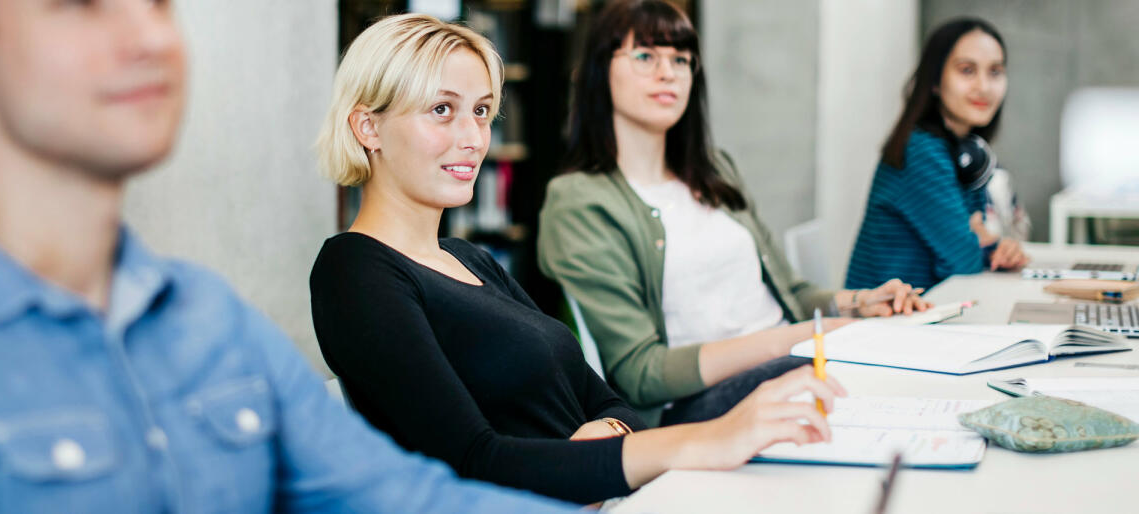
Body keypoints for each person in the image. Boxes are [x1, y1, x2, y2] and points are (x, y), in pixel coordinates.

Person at [0, 1, 577, 512]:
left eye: (159, 4)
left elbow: (404, 495)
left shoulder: (212, 322)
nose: (148, 37)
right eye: (80, 5)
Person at [311, 12, 846, 506]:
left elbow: (609, 401)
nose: (473, 138)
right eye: (442, 110)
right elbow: (473, 463)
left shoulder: (471, 260)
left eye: (480, 112)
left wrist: (602, 441)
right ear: (368, 128)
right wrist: (707, 439)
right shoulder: (355, 271)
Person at [535, 0, 928, 429]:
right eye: (646, 56)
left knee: (903, 359)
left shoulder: (714, 170)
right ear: (599, 71)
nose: (668, 72)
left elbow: (791, 294)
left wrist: (858, 304)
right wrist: (795, 341)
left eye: (681, 59)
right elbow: (642, 374)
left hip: (786, 362)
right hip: (695, 406)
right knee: (852, 378)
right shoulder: (579, 202)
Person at [846, 17, 1030, 291]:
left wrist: (991, 245)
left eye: (995, 72)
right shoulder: (921, 151)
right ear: (934, 81)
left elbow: (969, 244)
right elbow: (963, 263)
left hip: (929, 309)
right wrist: (982, 242)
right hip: (884, 321)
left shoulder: (967, 150)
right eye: (967, 70)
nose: (984, 86)